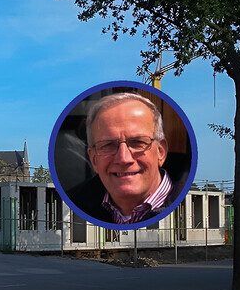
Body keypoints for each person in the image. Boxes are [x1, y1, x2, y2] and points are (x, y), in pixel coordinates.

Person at [67, 92, 182, 224]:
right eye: (108, 145)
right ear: (94, 159)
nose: (123, 158)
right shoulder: (77, 204)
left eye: (137, 142)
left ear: (161, 151)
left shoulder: (180, 206)